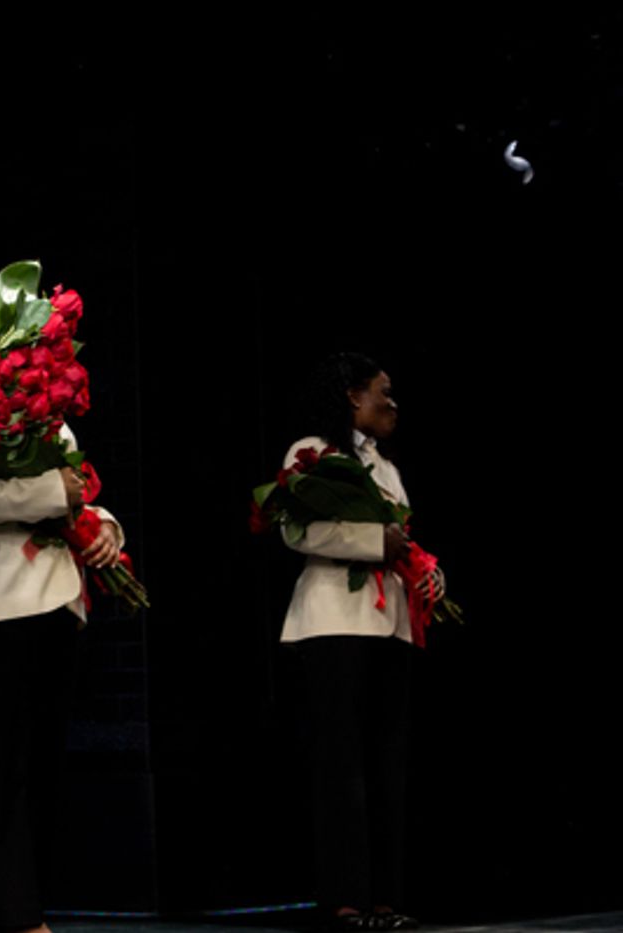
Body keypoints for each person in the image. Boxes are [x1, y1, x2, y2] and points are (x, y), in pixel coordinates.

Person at [280, 352, 442, 931]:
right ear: (352, 396)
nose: (393, 402)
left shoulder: (388, 468)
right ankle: (346, 901)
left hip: (389, 625)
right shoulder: (312, 452)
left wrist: (424, 569)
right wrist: (380, 542)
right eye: (384, 391)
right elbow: (298, 530)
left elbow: (402, 540)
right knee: (341, 767)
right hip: (333, 623)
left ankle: (385, 899)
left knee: (386, 763)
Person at [0, 426, 123, 933]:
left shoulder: (54, 415)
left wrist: (105, 526)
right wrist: (53, 494)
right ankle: (17, 912)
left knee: (42, 760)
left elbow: (79, 488)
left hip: (57, 595)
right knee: (8, 759)